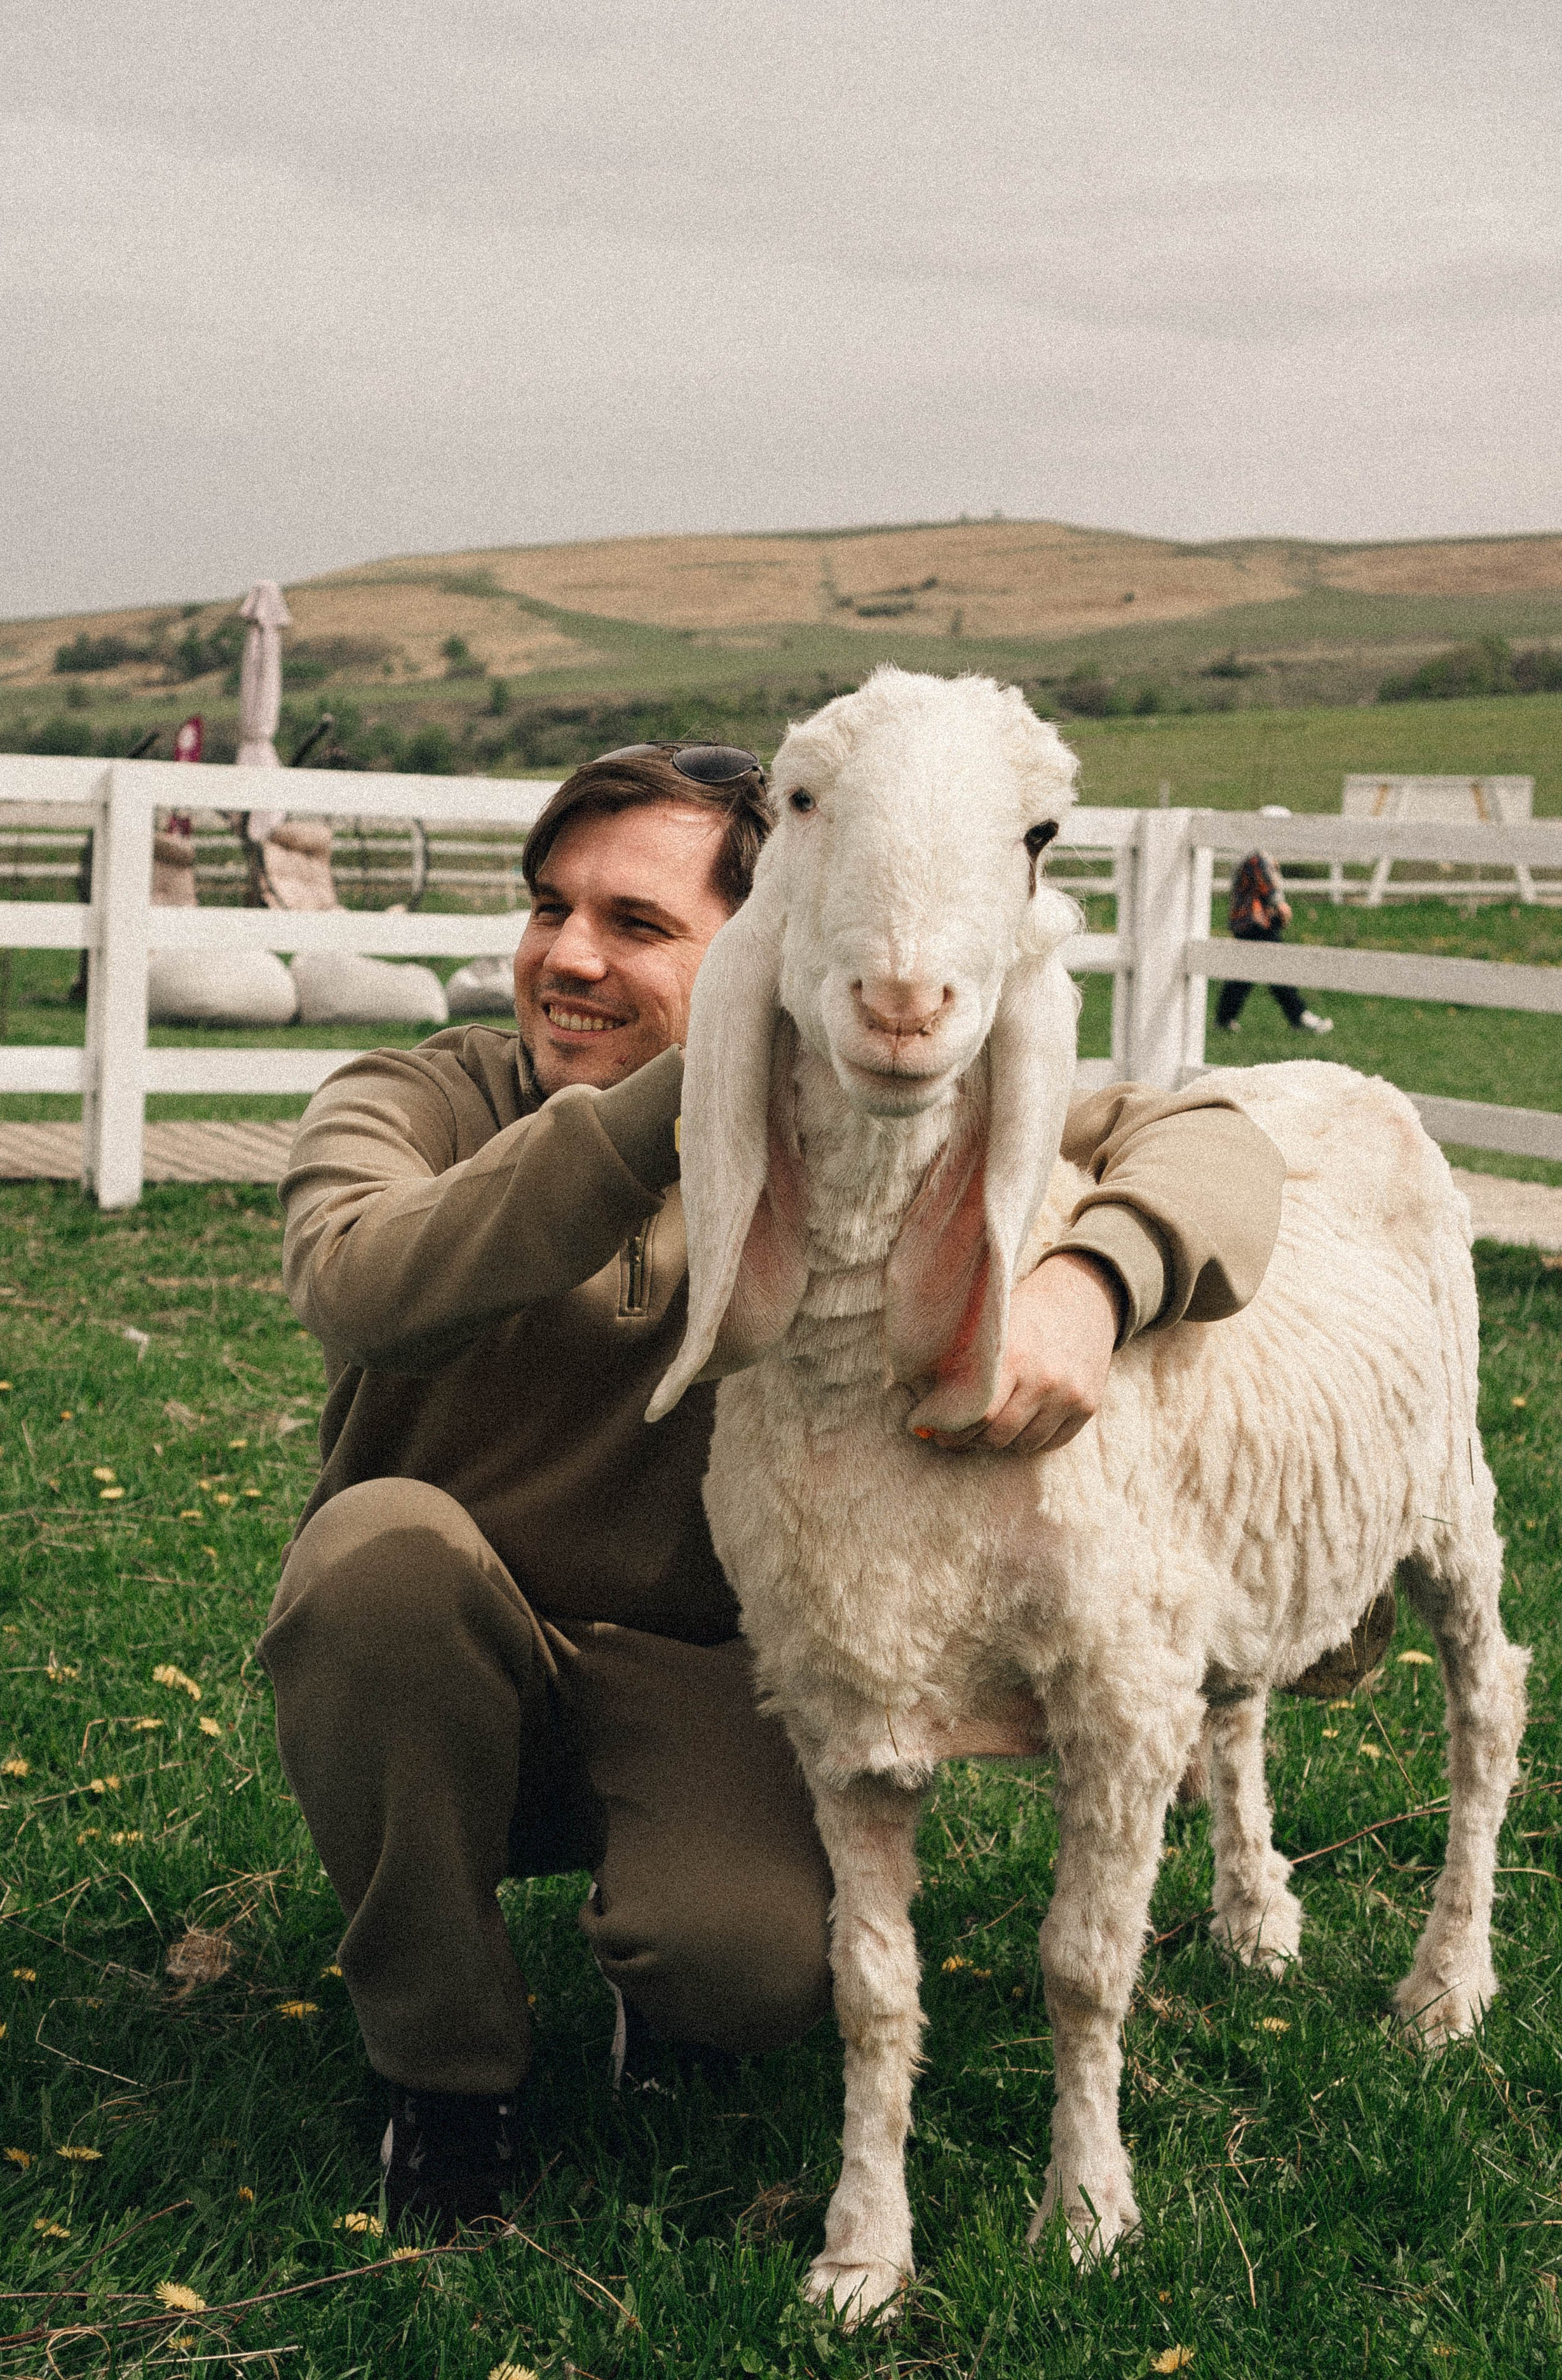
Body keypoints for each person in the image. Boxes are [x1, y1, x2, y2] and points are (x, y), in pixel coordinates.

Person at [259, 741, 1288, 2236]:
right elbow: (358, 1281)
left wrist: (1087, 1280)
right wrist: (690, 1092)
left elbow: (1212, 1144)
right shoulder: (417, 1094)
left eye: (634, 924)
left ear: (758, 942)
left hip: (708, 1676)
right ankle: (448, 2077)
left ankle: (660, 1978)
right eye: (551, 907)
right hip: (440, 1657)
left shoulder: (861, 1132)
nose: (566, 956)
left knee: (744, 1974)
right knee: (373, 1555)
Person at [1215, 807, 1334, 1037]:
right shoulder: (1257, 856)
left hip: (1248, 922)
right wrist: (1281, 905)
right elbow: (1267, 884)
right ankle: (1299, 1016)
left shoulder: (1256, 853)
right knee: (1277, 968)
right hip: (1255, 922)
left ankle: (1225, 1018)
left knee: (1244, 973)